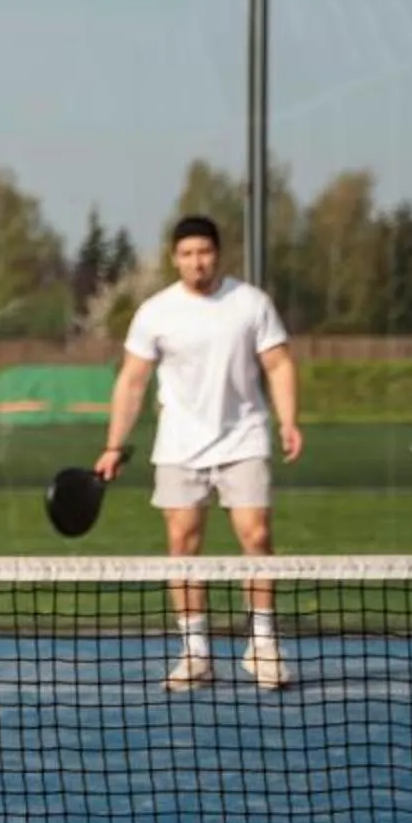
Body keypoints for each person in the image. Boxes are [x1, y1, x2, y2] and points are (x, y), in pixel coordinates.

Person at [96, 213, 302, 692]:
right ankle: (195, 653)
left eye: (204, 252)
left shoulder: (251, 304)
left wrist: (289, 420)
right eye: (187, 254)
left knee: (256, 535)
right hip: (178, 446)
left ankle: (264, 645)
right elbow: (131, 381)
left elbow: (280, 364)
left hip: (244, 438)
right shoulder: (154, 313)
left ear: (218, 255)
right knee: (183, 545)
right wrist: (112, 445)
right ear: (175, 259)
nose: (197, 262)